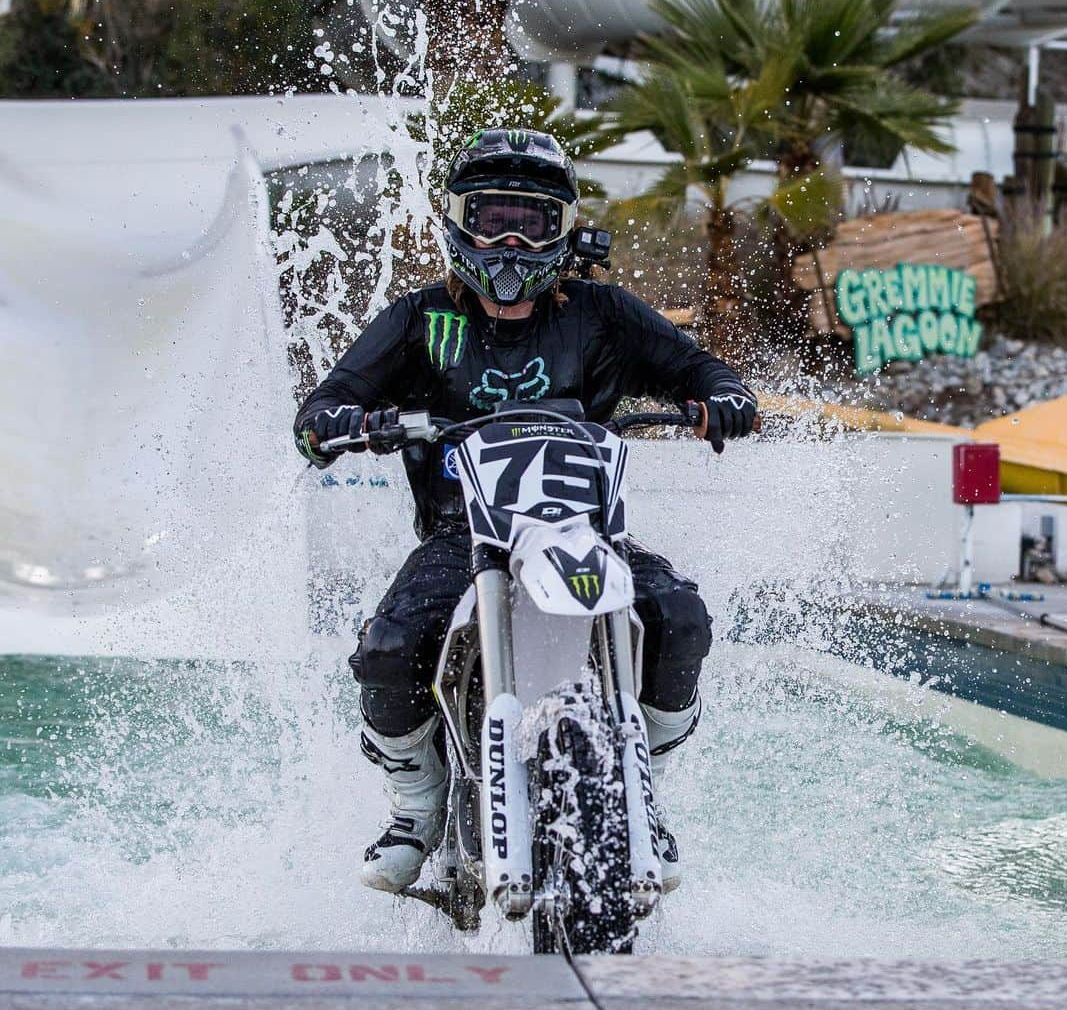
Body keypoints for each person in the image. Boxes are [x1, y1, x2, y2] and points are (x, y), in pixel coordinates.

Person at [294, 128, 757, 895]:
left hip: (584, 530)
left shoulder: (603, 314)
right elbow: (324, 405)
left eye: (533, 220)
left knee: (680, 616)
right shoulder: (417, 321)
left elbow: (697, 364)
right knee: (386, 644)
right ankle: (417, 808)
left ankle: (644, 793)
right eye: (492, 216)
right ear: (456, 220)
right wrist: (340, 421)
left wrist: (723, 395)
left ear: (564, 227)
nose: (510, 238)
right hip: (464, 536)